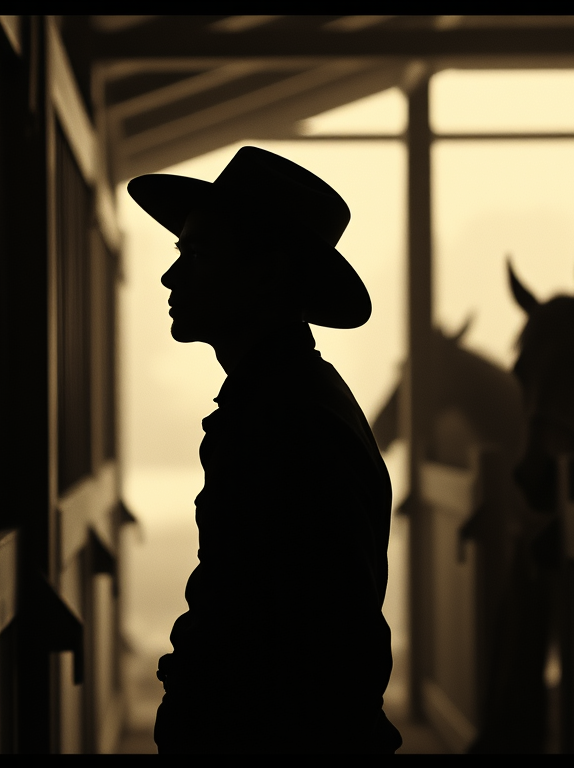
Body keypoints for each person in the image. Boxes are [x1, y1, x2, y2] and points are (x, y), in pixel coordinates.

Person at [128, 147, 402, 754]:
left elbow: (322, 644)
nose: (172, 277)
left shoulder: (289, 420)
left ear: (269, 273)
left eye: (198, 255)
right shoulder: (288, 401)